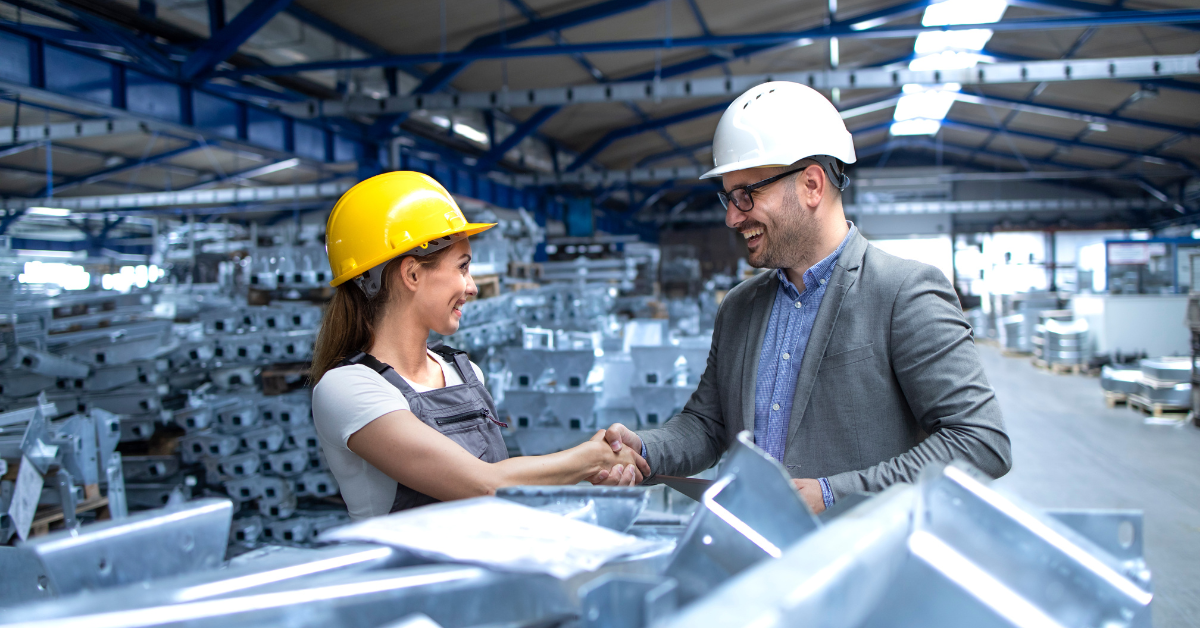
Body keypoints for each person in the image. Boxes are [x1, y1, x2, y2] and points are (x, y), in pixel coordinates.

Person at [593, 82, 1011, 512]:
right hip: (751, 549)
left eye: (746, 195)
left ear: (812, 185)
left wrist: (834, 493)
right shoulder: (740, 307)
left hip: (858, 561)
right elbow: (708, 424)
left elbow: (980, 440)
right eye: (728, 197)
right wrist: (644, 449)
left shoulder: (903, 292)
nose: (731, 217)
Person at [311, 172, 649, 520]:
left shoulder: (465, 372)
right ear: (412, 274)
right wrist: (589, 459)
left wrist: (587, 471)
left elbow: (502, 495)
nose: (472, 288)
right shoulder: (348, 388)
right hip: (413, 574)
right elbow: (483, 485)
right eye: (463, 268)